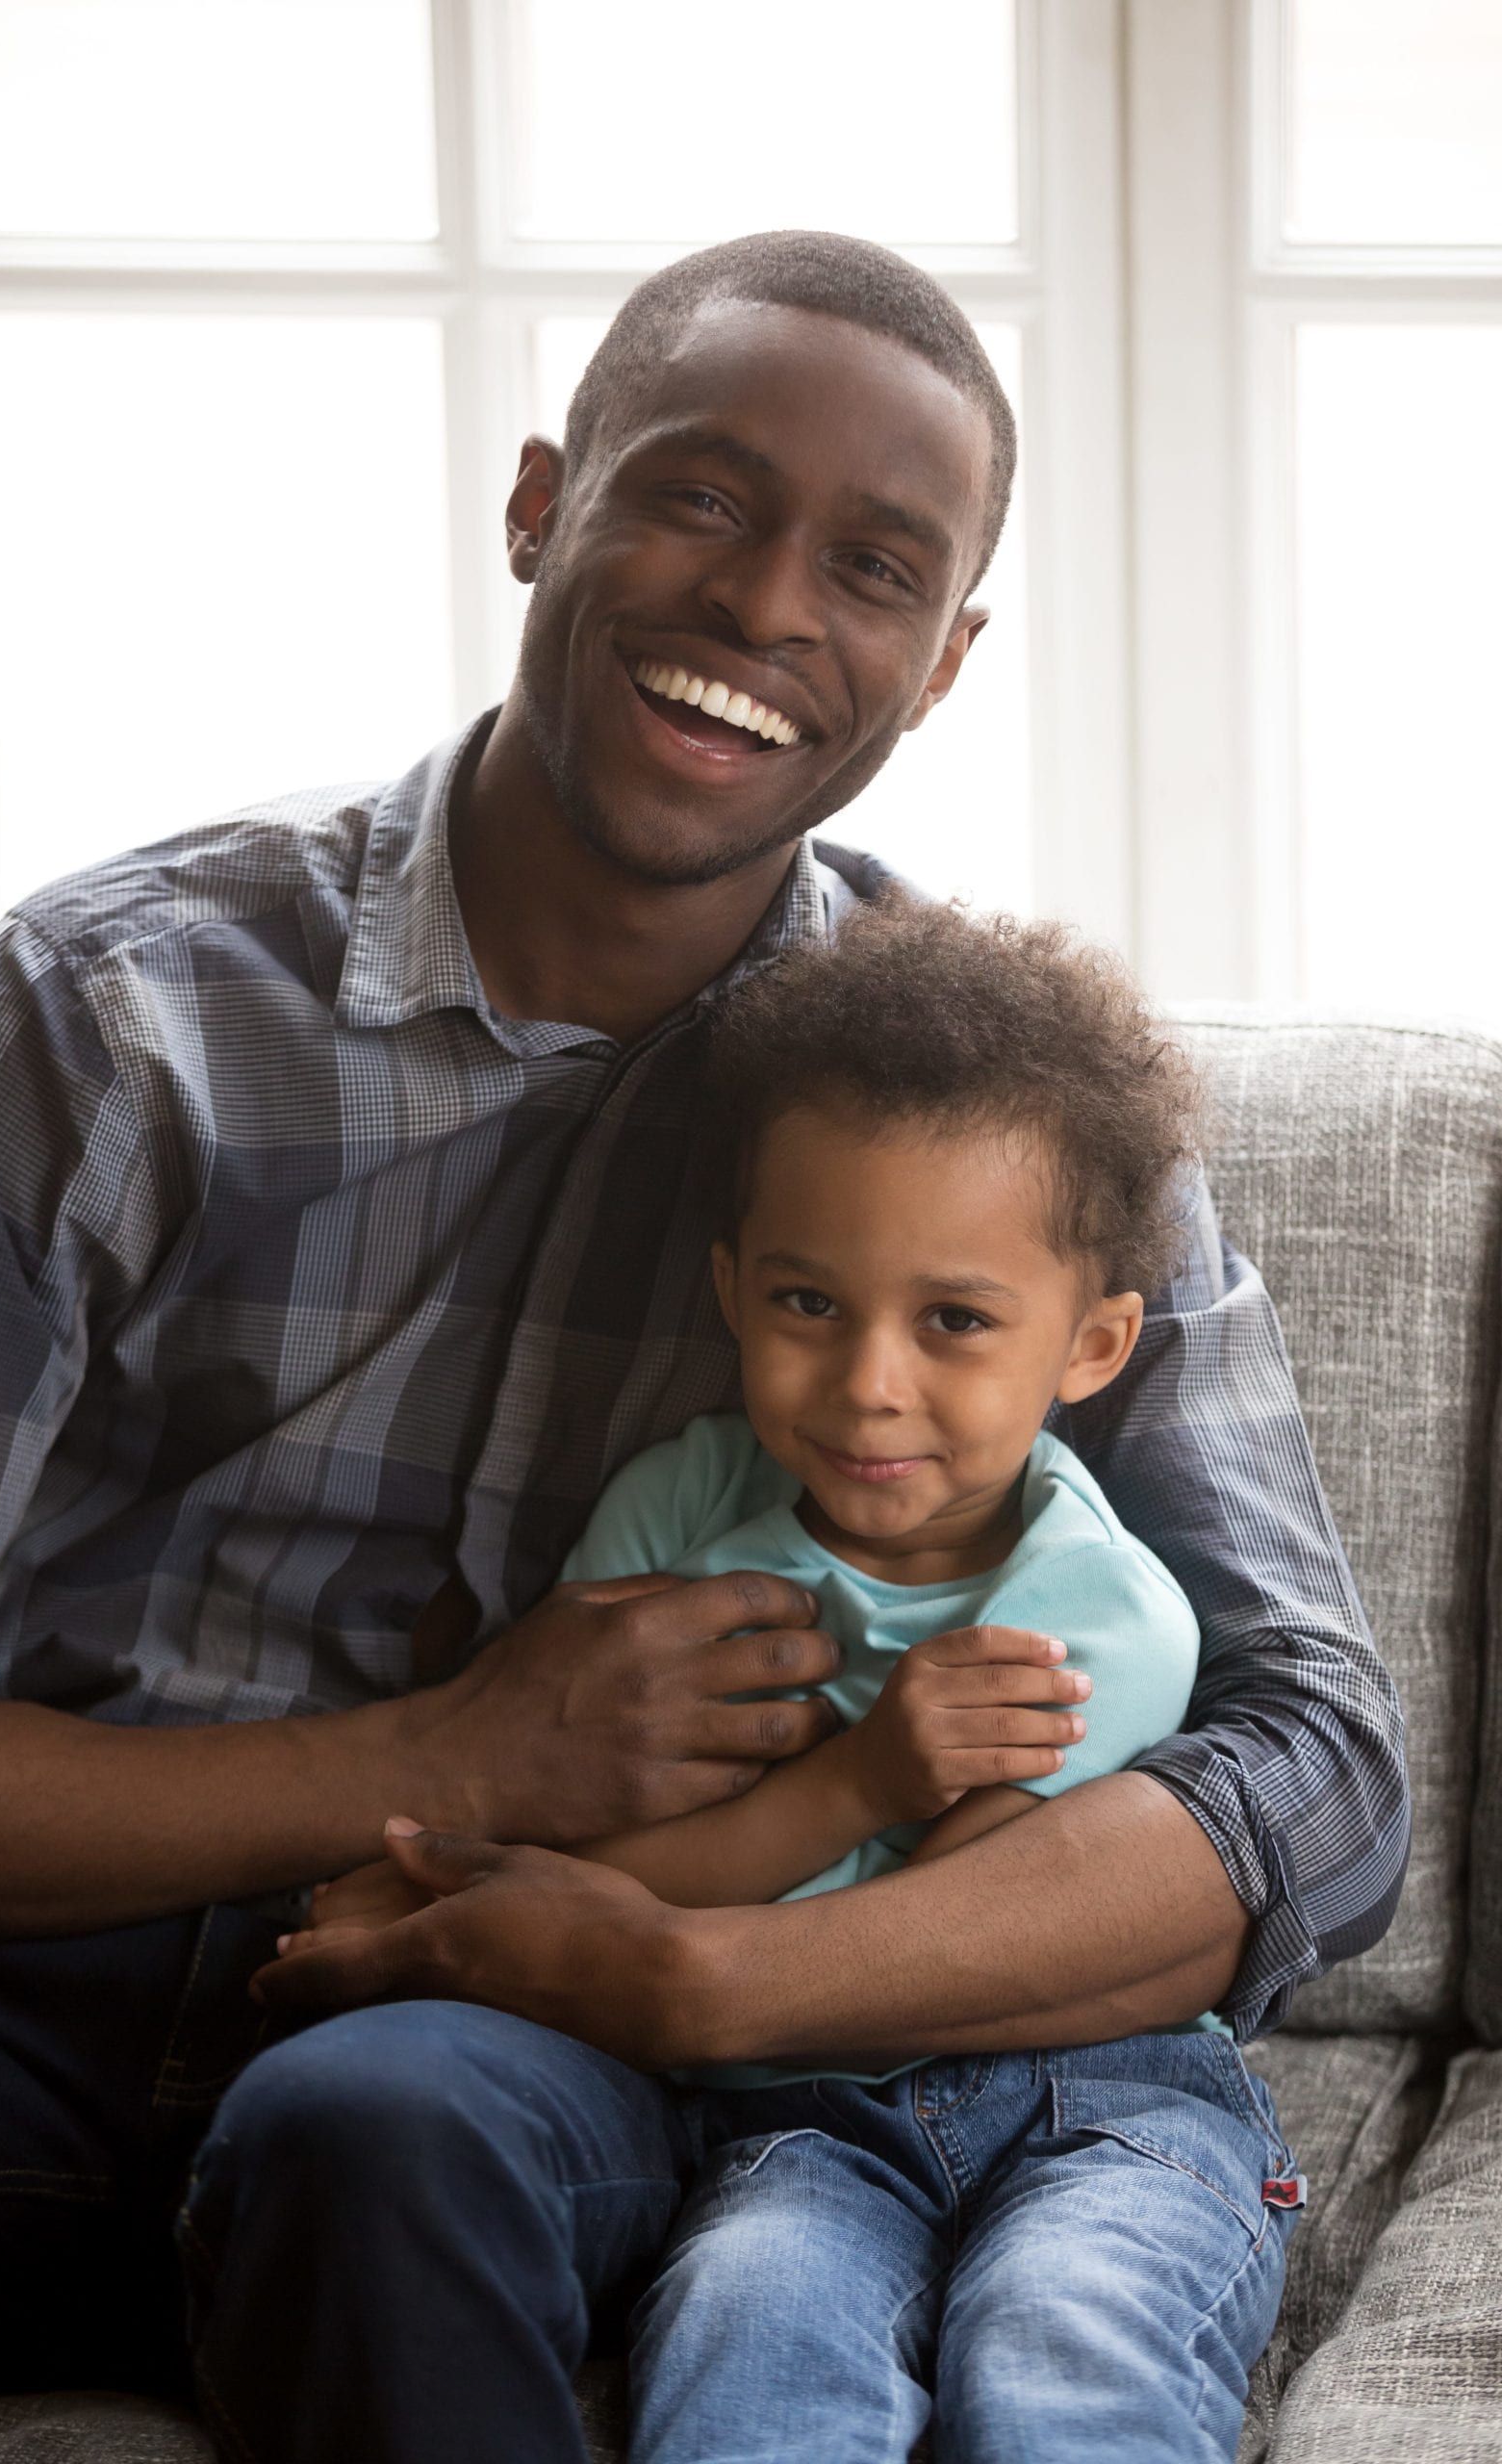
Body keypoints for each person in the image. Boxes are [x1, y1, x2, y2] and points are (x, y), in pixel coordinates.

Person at [0, 231, 1402, 2456]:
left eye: (873, 567)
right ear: (543, 504)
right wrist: (452, 1754)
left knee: (379, 2135)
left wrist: (708, 1966)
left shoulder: (983, 1125)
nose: (762, 607)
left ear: (938, 667)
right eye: (701, 498)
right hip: (29, 2003)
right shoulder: (114, 1011)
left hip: (494, 2041)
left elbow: (1315, 1769)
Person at [285, 896, 1304, 2463]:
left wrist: (627, 1920)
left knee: (1063, 2353)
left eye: (956, 1321)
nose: (869, 1383)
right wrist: (852, 1786)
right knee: (748, 2348)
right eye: (807, 1303)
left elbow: (938, 1950)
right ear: (730, 1287)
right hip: (797, 2122)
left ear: (1092, 1347)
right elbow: (594, 1866)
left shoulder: (1101, 1611)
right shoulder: (673, 1522)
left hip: (1100, 2100)